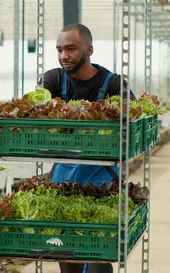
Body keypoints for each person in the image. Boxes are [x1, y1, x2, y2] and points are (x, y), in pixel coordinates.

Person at [43, 24, 135, 273]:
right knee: (67, 250)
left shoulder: (113, 83)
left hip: (102, 178)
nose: (64, 56)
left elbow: (134, 122)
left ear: (89, 49)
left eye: (71, 49)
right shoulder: (53, 79)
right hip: (64, 175)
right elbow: (37, 112)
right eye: (60, 50)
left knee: (98, 255)